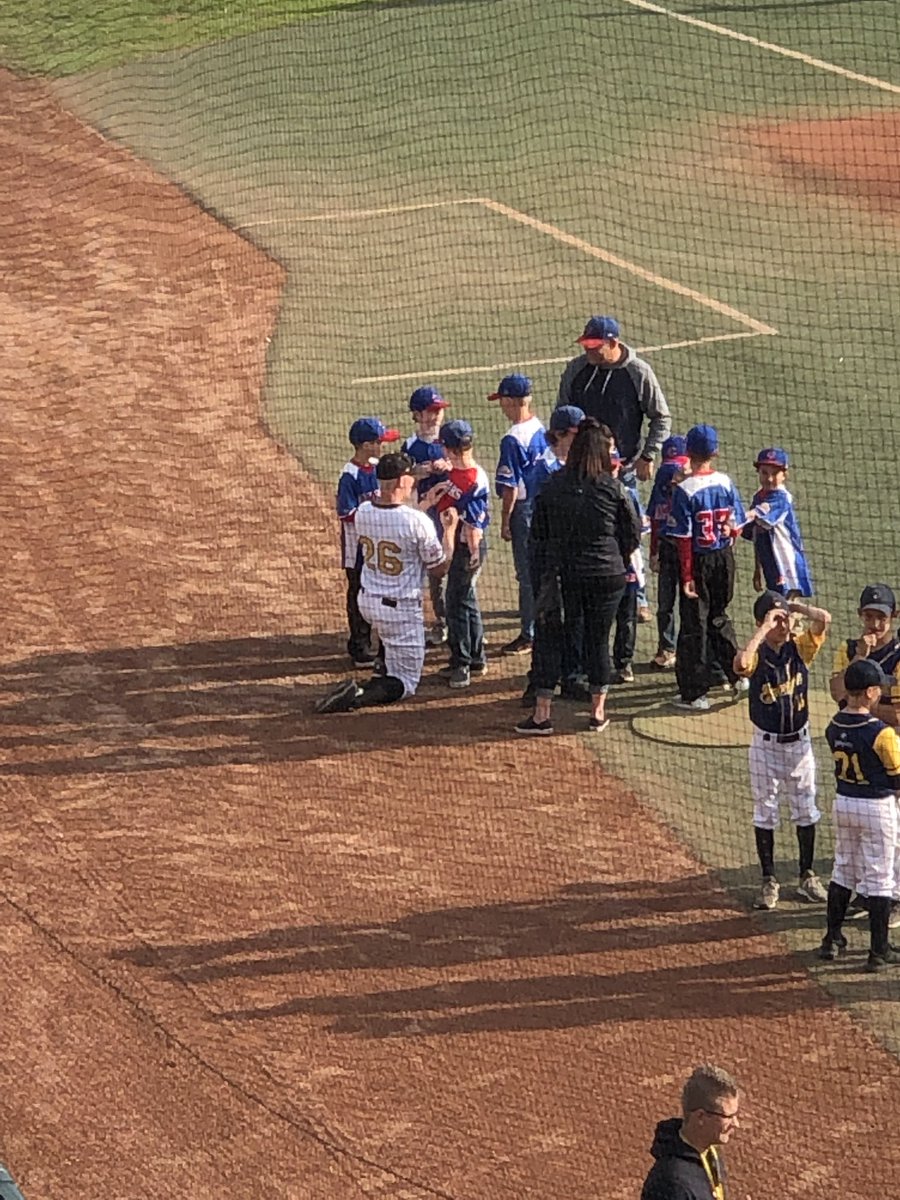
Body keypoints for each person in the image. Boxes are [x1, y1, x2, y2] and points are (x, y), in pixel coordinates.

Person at [516, 418, 641, 736]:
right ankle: (597, 713)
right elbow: (632, 536)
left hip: (565, 576)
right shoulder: (613, 488)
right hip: (608, 576)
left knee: (550, 640)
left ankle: (542, 714)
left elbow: (538, 535)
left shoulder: (554, 485)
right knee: (598, 641)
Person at [316, 453, 456, 714]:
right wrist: (449, 531)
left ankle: (382, 668)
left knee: (389, 641)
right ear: (402, 481)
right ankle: (356, 695)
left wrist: (424, 504)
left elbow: (396, 523)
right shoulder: (417, 522)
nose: (413, 481)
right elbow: (439, 568)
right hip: (398, 609)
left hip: (368, 600)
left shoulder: (363, 512)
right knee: (406, 683)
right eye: (410, 477)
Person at [558, 314, 671, 623]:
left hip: (625, 471)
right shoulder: (577, 370)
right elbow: (563, 414)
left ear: (613, 343)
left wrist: (648, 455)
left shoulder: (637, 372)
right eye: (586, 345)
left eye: (595, 347)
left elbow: (661, 416)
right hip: (582, 469)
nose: (589, 352)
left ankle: (638, 598)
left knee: (628, 532)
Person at [733, 591, 832, 911]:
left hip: (799, 745)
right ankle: (768, 879)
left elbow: (824, 619)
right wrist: (763, 628)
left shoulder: (799, 647)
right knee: (766, 811)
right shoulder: (759, 653)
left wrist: (794, 608)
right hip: (765, 747)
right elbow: (740, 664)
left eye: (784, 619)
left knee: (806, 810)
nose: (782, 624)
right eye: (776, 619)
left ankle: (807, 876)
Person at [819, 658, 900, 972]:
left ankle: (832, 938)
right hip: (876, 807)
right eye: (878, 688)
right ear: (868, 692)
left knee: (843, 870)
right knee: (880, 876)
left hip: (844, 803)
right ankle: (879, 951)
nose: (880, 692)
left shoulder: (832, 725)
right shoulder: (882, 733)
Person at [668, 424, 747, 712]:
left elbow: (684, 539)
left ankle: (694, 694)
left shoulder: (684, 489)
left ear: (688, 452)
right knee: (718, 617)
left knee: (694, 626)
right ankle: (738, 676)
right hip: (724, 558)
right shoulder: (725, 482)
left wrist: (687, 575)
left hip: (698, 561)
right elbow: (736, 523)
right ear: (715, 452)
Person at [520, 404, 589, 708]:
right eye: (577, 434)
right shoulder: (542, 469)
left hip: (574, 553)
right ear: (560, 434)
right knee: (548, 618)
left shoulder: (581, 467)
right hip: (546, 554)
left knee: (576, 616)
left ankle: (572, 677)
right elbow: (542, 519)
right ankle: (539, 682)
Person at [489, 374, 549, 655]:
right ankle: (541, 622)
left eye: (502, 400)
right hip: (544, 505)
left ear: (512, 401)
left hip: (524, 511)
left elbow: (510, 487)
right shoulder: (540, 428)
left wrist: (504, 521)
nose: (501, 405)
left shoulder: (512, 439)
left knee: (526, 574)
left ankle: (530, 634)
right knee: (541, 570)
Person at [336, 416, 400, 667]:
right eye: (377, 442)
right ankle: (359, 645)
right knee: (359, 594)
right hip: (356, 549)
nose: (381, 446)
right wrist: (375, 511)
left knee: (379, 592)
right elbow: (345, 513)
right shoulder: (349, 475)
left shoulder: (377, 468)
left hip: (377, 547)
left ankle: (380, 642)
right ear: (364, 445)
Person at [432, 419, 491, 689]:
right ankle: (476, 659)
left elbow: (474, 526)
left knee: (455, 602)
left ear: (450, 448)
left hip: (467, 547)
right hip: (463, 545)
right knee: (465, 600)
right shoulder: (464, 473)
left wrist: (472, 552)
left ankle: (462, 662)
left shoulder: (472, 480)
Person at [641, 1064, 740, 1200]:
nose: (736, 1124)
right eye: (728, 1117)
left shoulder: (710, 1152)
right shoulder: (672, 1185)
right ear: (700, 1117)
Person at [402, 385, 452, 647]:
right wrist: (421, 471)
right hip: (423, 518)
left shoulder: (449, 438)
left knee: (450, 572)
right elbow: (401, 481)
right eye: (431, 411)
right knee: (426, 573)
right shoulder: (410, 446)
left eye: (438, 411)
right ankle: (428, 623)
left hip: (450, 518)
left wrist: (450, 466)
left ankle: (452, 624)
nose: (436, 416)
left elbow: (465, 465)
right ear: (417, 414)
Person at [740, 447, 812, 598]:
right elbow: (757, 536)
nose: (769, 478)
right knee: (780, 605)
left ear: (784, 475)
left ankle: (820, 616)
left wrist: (736, 519)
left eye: (775, 473)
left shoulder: (781, 497)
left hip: (786, 563)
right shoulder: (759, 496)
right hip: (770, 562)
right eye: (764, 472)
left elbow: (759, 514)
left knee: (785, 606)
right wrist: (757, 569)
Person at [829, 583, 900, 729]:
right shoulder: (848, 649)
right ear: (859, 613)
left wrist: (857, 703)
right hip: (853, 739)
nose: (875, 624)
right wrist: (859, 657)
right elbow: (837, 693)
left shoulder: (897, 655)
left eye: (882, 618)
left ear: (894, 615)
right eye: (868, 616)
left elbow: (897, 717)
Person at [647, 435, 690, 670]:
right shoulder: (661, 487)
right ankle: (667, 648)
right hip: (666, 549)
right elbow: (655, 520)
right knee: (665, 604)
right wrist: (654, 553)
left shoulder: (692, 490)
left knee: (689, 604)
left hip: (688, 554)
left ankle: (687, 651)